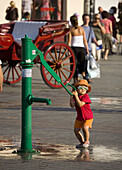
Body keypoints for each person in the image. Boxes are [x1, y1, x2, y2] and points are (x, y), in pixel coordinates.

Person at [70, 79, 93, 148]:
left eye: (85, 88)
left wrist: (76, 96)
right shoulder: (75, 96)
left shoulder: (86, 96)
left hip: (88, 117)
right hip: (80, 117)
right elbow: (72, 105)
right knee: (76, 131)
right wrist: (71, 98)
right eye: (81, 88)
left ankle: (87, 141)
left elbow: (80, 104)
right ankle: (82, 142)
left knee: (85, 128)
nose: (83, 89)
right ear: (77, 89)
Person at [68, 15, 89, 84]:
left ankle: (75, 79)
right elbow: (85, 40)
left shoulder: (71, 29)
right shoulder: (82, 29)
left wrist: (68, 50)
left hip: (74, 48)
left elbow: (69, 41)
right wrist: (87, 49)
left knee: (73, 64)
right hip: (81, 48)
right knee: (81, 63)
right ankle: (83, 74)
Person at [81, 14, 100, 83]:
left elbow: (93, 38)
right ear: (83, 19)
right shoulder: (81, 28)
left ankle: (87, 77)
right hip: (81, 48)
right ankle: (82, 75)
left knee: (88, 64)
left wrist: (97, 44)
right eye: (85, 19)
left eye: (88, 19)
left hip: (89, 48)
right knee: (82, 63)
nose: (86, 20)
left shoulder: (90, 29)